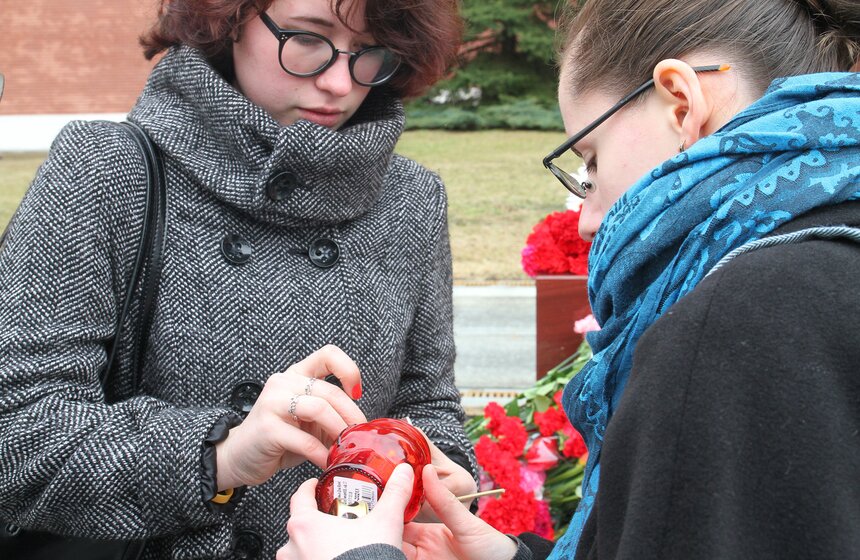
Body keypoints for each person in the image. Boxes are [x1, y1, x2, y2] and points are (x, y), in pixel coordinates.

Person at [280, 0, 860, 558]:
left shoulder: (740, 317)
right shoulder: (824, 251)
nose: (583, 220)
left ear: (681, 104)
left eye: (591, 160)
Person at [0, 0, 477, 558]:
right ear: (226, 22)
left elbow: (427, 405)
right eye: (306, 38)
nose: (341, 81)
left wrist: (437, 480)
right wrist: (221, 455)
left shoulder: (409, 199)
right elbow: (17, 431)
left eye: (371, 52)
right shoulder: (106, 169)